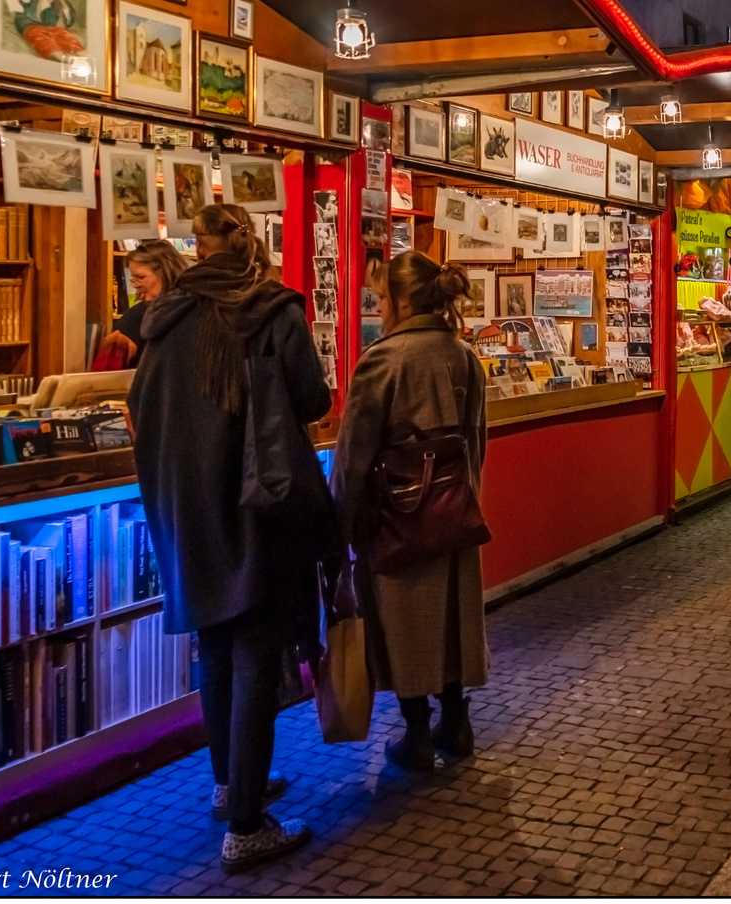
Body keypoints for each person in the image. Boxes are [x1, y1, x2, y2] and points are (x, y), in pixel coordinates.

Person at [128, 203, 335, 872]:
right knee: (254, 656)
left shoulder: (165, 318)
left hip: (183, 503)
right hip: (257, 500)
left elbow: (144, 407)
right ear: (252, 248)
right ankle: (247, 826)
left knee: (214, 649)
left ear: (196, 249)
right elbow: (312, 399)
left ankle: (229, 787)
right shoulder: (273, 309)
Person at [331, 251, 490, 771]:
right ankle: (457, 721)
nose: (378, 309)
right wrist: (464, 493)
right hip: (455, 510)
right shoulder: (462, 354)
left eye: (380, 299)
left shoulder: (383, 359)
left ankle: (416, 731)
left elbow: (354, 452)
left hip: (398, 517)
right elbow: (477, 441)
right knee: (451, 621)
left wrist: (344, 521)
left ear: (401, 301)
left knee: (401, 623)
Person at [96, 240, 188, 368]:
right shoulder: (197, 308)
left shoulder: (136, 317)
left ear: (164, 272)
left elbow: (105, 372)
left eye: (141, 277)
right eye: (133, 278)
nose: (135, 285)